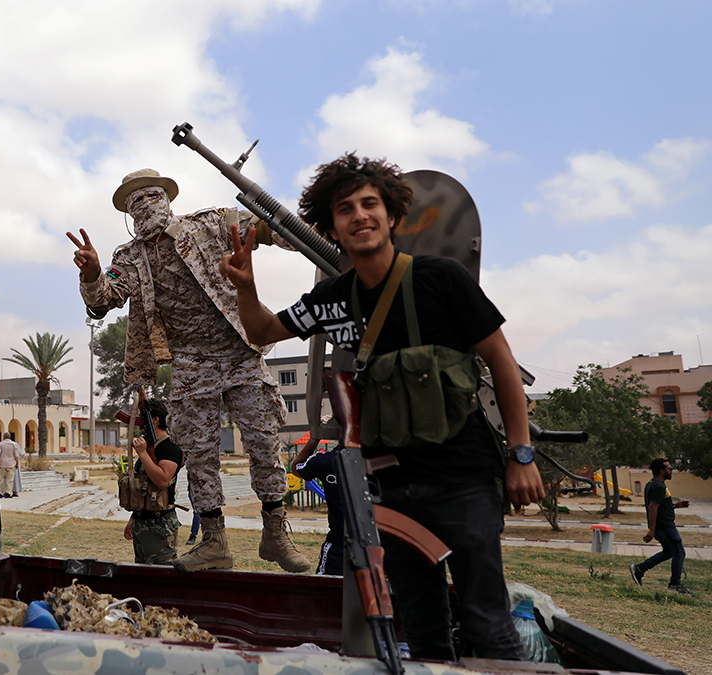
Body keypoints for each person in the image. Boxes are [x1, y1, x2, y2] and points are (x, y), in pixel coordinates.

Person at [221, 152, 545, 661]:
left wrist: (521, 453)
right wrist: (246, 287)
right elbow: (262, 331)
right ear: (332, 225)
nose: (359, 216)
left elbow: (501, 362)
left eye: (369, 204)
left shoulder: (442, 279)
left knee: (487, 619)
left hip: (462, 477)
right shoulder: (331, 297)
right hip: (391, 486)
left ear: (392, 216)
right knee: (420, 621)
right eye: (345, 209)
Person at [68, 169, 311, 574]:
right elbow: (104, 299)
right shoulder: (128, 257)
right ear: (128, 213)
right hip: (189, 362)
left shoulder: (210, 224)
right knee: (198, 456)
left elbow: (265, 229)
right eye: (135, 201)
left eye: (151, 195)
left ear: (167, 198)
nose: (145, 204)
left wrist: (314, 237)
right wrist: (91, 273)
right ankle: (215, 542)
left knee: (264, 443)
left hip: (240, 349)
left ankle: (275, 532)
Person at [122, 399, 184, 564]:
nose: (138, 426)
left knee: (161, 577)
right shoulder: (149, 447)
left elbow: (162, 480)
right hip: (142, 523)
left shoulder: (170, 448)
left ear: (155, 420)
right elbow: (144, 487)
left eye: (142, 420)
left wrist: (142, 453)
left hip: (160, 525)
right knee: (142, 576)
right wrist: (134, 517)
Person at [630, 458, 692, 595]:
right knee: (679, 552)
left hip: (663, 526)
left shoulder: (653, 484)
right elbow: (652, 508)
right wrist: (651, 530)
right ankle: (675, 585)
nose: (672, 471)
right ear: (661, 471)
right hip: (665, 526)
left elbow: (660, 505)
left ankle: (639, 569)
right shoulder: (658, 486)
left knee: (670, 552)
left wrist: (676, 506)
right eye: (669, 468)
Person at [292, 442, 344, 576]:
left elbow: (295, 467)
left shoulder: (326, 461)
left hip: (339, 543)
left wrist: (314, 439)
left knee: (326, 588)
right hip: (378, 541)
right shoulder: (382, 460)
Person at [0, 433, 20, 498]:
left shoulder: (1, 444)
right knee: (10, 480)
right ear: (10, 437)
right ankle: (8, 493)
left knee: (1, 480)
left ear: (4, 437)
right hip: (11, 464)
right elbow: (16, 455)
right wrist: (17, 463)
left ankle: (0, 493)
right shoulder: (14, 444)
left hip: (2, 464)